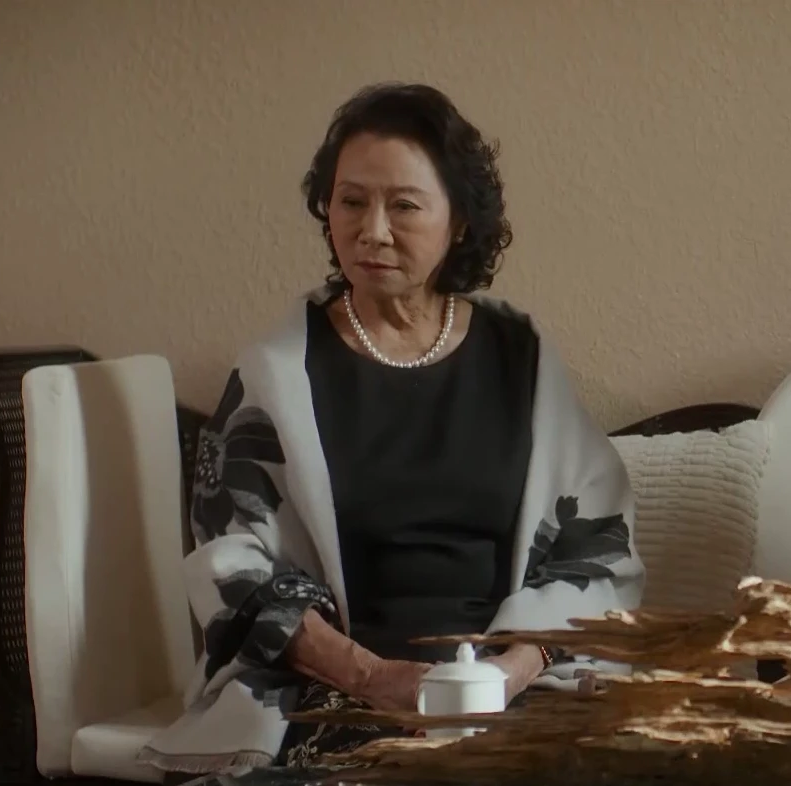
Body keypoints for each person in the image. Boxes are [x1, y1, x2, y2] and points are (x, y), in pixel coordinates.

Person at [141, 83, 644, 777]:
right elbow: (232, 566)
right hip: (337, 689)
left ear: (459, 221)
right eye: (351, 202)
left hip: (513, 688)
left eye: (403, 206)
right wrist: (376, 678)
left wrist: (506, 674)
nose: (372, 230)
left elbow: (596, 546)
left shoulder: (520, 357)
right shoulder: (278, 374)